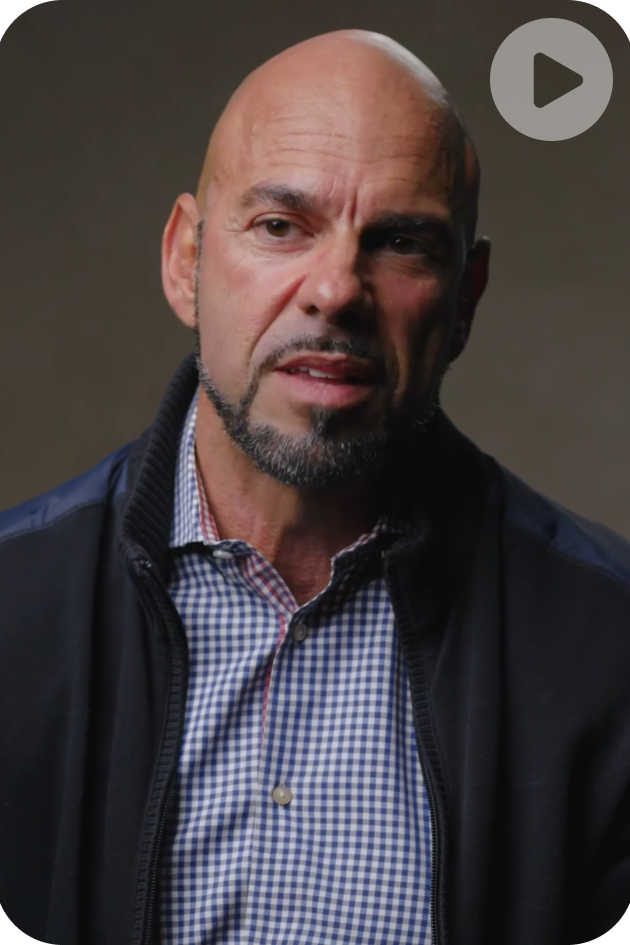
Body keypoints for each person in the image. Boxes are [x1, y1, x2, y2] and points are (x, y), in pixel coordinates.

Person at [0, 27, 628, 945]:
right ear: (185, 259)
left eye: (402, 241)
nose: (335, 290)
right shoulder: (12, 608)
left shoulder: (609, 650)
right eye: (281, 225)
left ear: (466, 298)